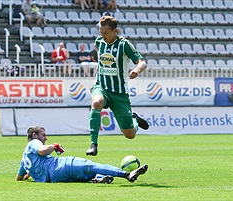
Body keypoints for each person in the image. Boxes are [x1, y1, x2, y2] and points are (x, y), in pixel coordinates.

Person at [86, 15, 149, 156]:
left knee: (130, 134)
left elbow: (142, 62)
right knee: (97, 102)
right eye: (101, 33)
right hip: (101, 86)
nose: (102, 36)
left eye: (106, 33)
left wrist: (136, 70)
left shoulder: (124, 45)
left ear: (115, 31)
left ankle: (134, 120)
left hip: (119, 92)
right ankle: (93, 144)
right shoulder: (99, 42)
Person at [15, 126, 148, 183]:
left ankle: (99, 179)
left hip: (55, 178)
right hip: (60, 166)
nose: (45, 138)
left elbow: (19, 178)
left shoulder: (24, 159)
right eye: (43, 135)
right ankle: (126, 174)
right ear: (34, 135)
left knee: (85, 174)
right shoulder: (33, 143)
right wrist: (53, 146)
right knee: (91, 165)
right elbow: (42, 150)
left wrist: (30, 173)